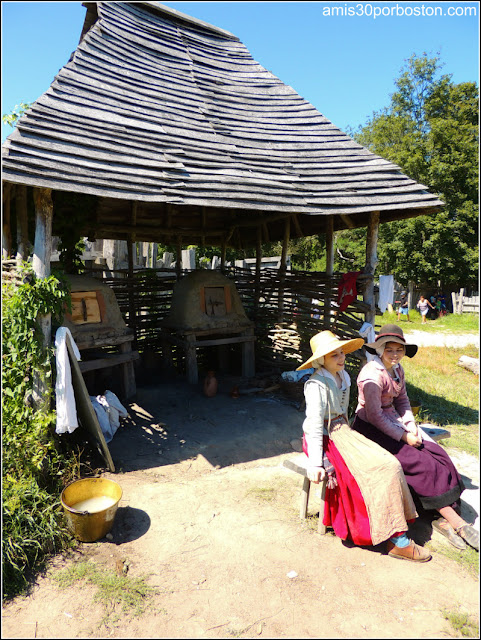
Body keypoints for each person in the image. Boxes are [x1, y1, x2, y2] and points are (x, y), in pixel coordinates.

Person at [298, 330, 431, 562]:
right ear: (321, 360)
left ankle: (397, 526)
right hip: (324, 439)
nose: (341, 358)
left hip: (344, 433)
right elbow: (314, 425)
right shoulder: (315, 385)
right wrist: (316, 462)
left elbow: (344, 417)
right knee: (381, 469)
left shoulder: (344, 377)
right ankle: (396, 539)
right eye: (333, 355)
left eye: (341, 352)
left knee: (391, 462)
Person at [352, 324, 478, 551]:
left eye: (399, 350)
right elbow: (374, 415)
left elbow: (402, 401)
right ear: (380, 350)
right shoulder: (371, 376)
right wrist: (403, 437)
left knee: (439, 455)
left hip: (393, 422)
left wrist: (412, 426)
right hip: (370, 427)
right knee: (419, 463)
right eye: (389, 349)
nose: (394, 354)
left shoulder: (397, 370)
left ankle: (442, 515)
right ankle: (456, 522)